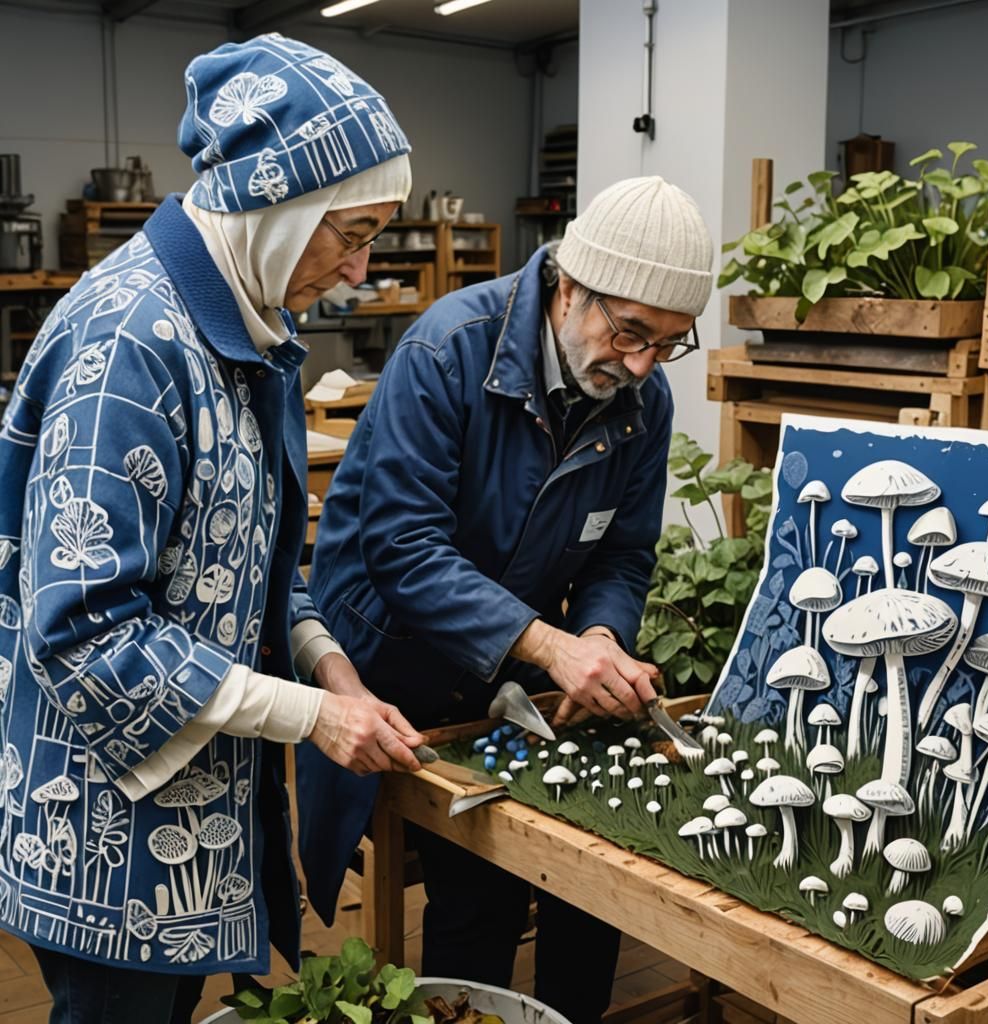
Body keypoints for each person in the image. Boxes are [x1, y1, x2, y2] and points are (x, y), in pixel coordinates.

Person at [0, 33, 425, 1024]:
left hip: (189, 810)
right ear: (276, 205)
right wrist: (312, 719)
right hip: (104, 838)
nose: (359, 270)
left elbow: (254, 557)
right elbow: (85, 630)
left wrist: (328, 666)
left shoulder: (246, 326)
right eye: (350, 234)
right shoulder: (131, 341)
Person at [301, 176, 714, 1024]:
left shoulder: (642, 398)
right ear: (570, 287)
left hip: (508, 659)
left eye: (668, 344)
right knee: (477, 886)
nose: (641, 364)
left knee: (592, 871)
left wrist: (600, 635)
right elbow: (404, 549)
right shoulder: (448, 351)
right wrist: (553, 647)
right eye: (631, 332)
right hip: (390, 659)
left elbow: (622, 552)